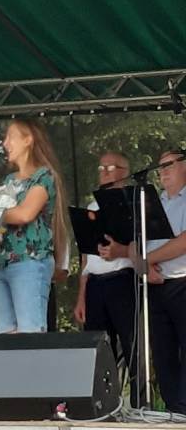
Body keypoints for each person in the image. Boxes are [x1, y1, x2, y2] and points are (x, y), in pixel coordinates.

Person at [72, 151, 142, 407]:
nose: (104, 172)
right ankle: (104, 405)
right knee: (98, 348)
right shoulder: (92, 208)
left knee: (132, 344)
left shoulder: (134, 204)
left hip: (123, 279)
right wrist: (81, 296)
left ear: (125, 171)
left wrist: (120, 251)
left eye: (110, 167)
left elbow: (146, 246)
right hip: (95, 284)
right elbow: (86, 259)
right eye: (101, 168)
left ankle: (139, 403)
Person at [0, 118, 68, 334]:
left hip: (29, 262)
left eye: (10, 137)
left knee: (30, 333)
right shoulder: (9, 180)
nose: (5, 143)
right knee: (4, 334)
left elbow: (25, 214)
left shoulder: (43, 176)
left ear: (28, 140)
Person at [144, 150, 186, 413]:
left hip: (183, 281)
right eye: (160, 167)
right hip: (158, 285)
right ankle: (172, 410)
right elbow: (136, 241)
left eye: (169, 165)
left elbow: (184, 241)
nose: (163, 171)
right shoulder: (154, 203)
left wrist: (148, 259)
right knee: (162, 351)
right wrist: (145, 265)